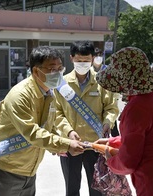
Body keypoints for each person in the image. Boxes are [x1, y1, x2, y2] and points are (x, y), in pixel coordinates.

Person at [0, 46, 87, 196]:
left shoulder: (50, 93)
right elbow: (33, 133)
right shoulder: (20, 96)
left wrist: (63, 140)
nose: (58, 74)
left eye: (60, 68)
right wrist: (65, 144)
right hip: (6, 170)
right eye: (52, 69)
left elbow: (47, 126)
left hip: (30, 170)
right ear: (35, 71)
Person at [95, 47, 153, 196]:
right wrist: (113, 141)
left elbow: (127, 162)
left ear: (124, 81)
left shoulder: (136, 108)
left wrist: (111, 160)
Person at [53, 41, 119, 196]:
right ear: (71, 58)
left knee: (97, 189)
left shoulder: (102, 82)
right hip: (71, 144)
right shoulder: (62, 84)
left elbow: (111, 107)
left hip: (96, 144)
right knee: (71, 188)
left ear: (92, 59)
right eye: (79, 60)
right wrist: (68, 132)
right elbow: (56, 113)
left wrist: (107, 122)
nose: (82, 64)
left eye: (86, 60)